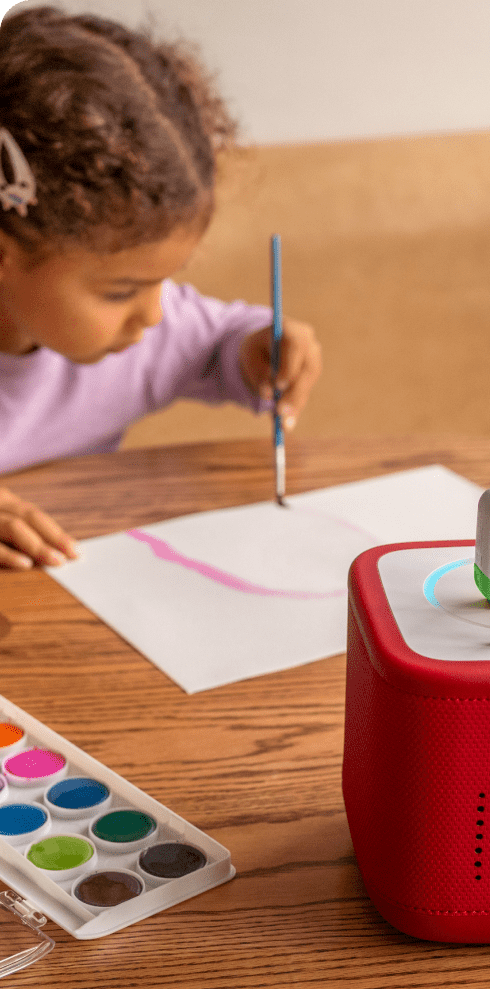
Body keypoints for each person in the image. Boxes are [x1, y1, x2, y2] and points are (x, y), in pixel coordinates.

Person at [0, 5, 322, 570]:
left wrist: (255, 349)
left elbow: (212, 340)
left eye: (165, 281)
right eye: (121, 291)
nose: (154, 315)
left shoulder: (140, 332)